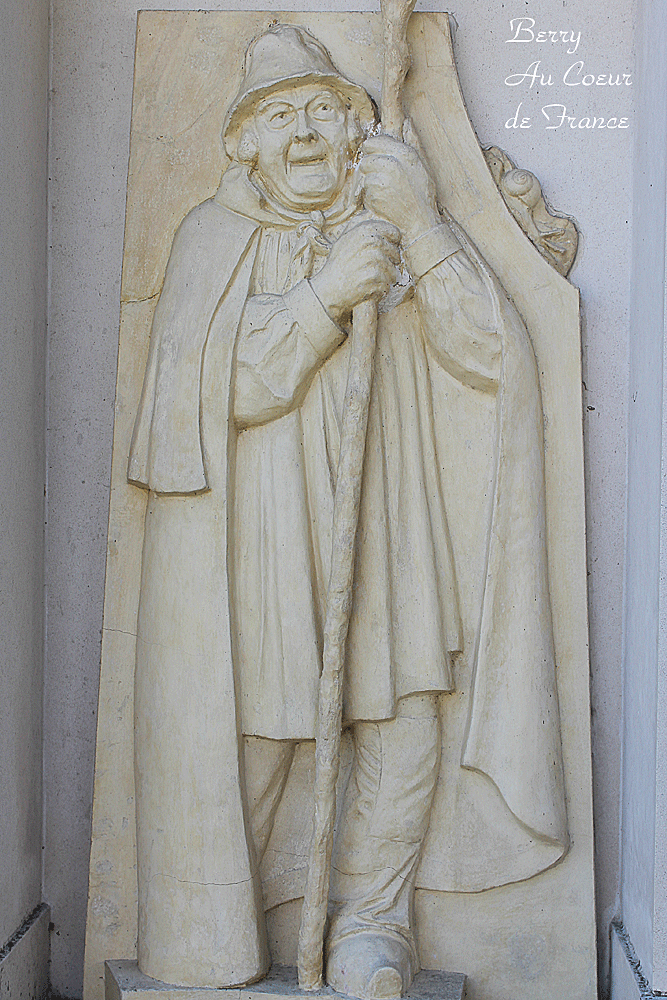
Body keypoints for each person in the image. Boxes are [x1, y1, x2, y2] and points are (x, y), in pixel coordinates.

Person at [128, 23, 567, 1000]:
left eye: (325, 110)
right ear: (243, 141)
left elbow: (489, 353)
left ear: (358, 131)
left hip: (385, 521)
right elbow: (217, 387)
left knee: (403, 728)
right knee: (264, 734)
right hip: (265, 537)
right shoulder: (211, 239)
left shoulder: (391, 223)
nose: (305, 132)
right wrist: (326, 293)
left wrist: (422, 226)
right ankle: (219, 918)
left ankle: (372, 923)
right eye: (281, 113)